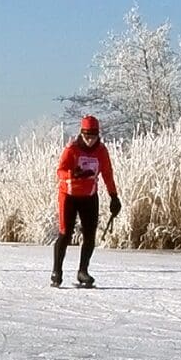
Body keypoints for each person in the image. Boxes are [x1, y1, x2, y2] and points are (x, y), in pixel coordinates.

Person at [51, 115, 121, 288]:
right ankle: (57, 271)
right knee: (65, 233)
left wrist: (114, 196)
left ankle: (83, 271)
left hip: (89, 196)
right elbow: (60, 171)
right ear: (81, 134)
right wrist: (72, 174)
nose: (90, 140)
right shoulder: (71, 149)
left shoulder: (102, 151)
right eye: (87, 136)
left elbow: (107, 174)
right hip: (68, 195)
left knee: (90, 234)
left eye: (93, 136)